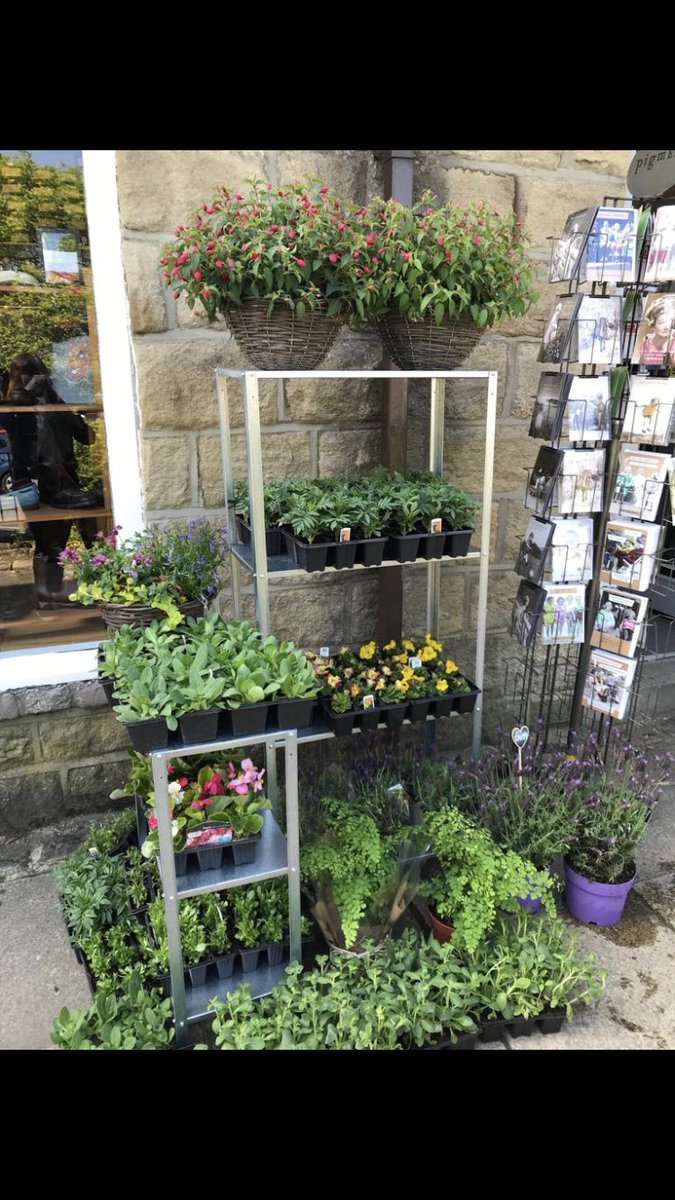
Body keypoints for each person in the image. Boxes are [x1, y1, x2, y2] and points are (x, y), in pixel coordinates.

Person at [3, 352, 98, 606]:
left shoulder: (54, 401)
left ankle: (64, 594)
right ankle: (46, 598)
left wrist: (61, 405)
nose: (33, 379)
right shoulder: (14, 406)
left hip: (66, 481)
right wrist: (22, 397)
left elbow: (88, 438)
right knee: (47, 544)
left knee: (84, 538)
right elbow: (11, 436)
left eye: (37, 373)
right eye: (25, 375)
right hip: (35, 484)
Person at [638, 296, 675, 366]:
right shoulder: (647, 342)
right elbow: (639, 364)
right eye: (661, 322)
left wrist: (668, 350)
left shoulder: (673, 343)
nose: (666, 327)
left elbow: (672, 370)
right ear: (653, 323)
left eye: (670, 322)